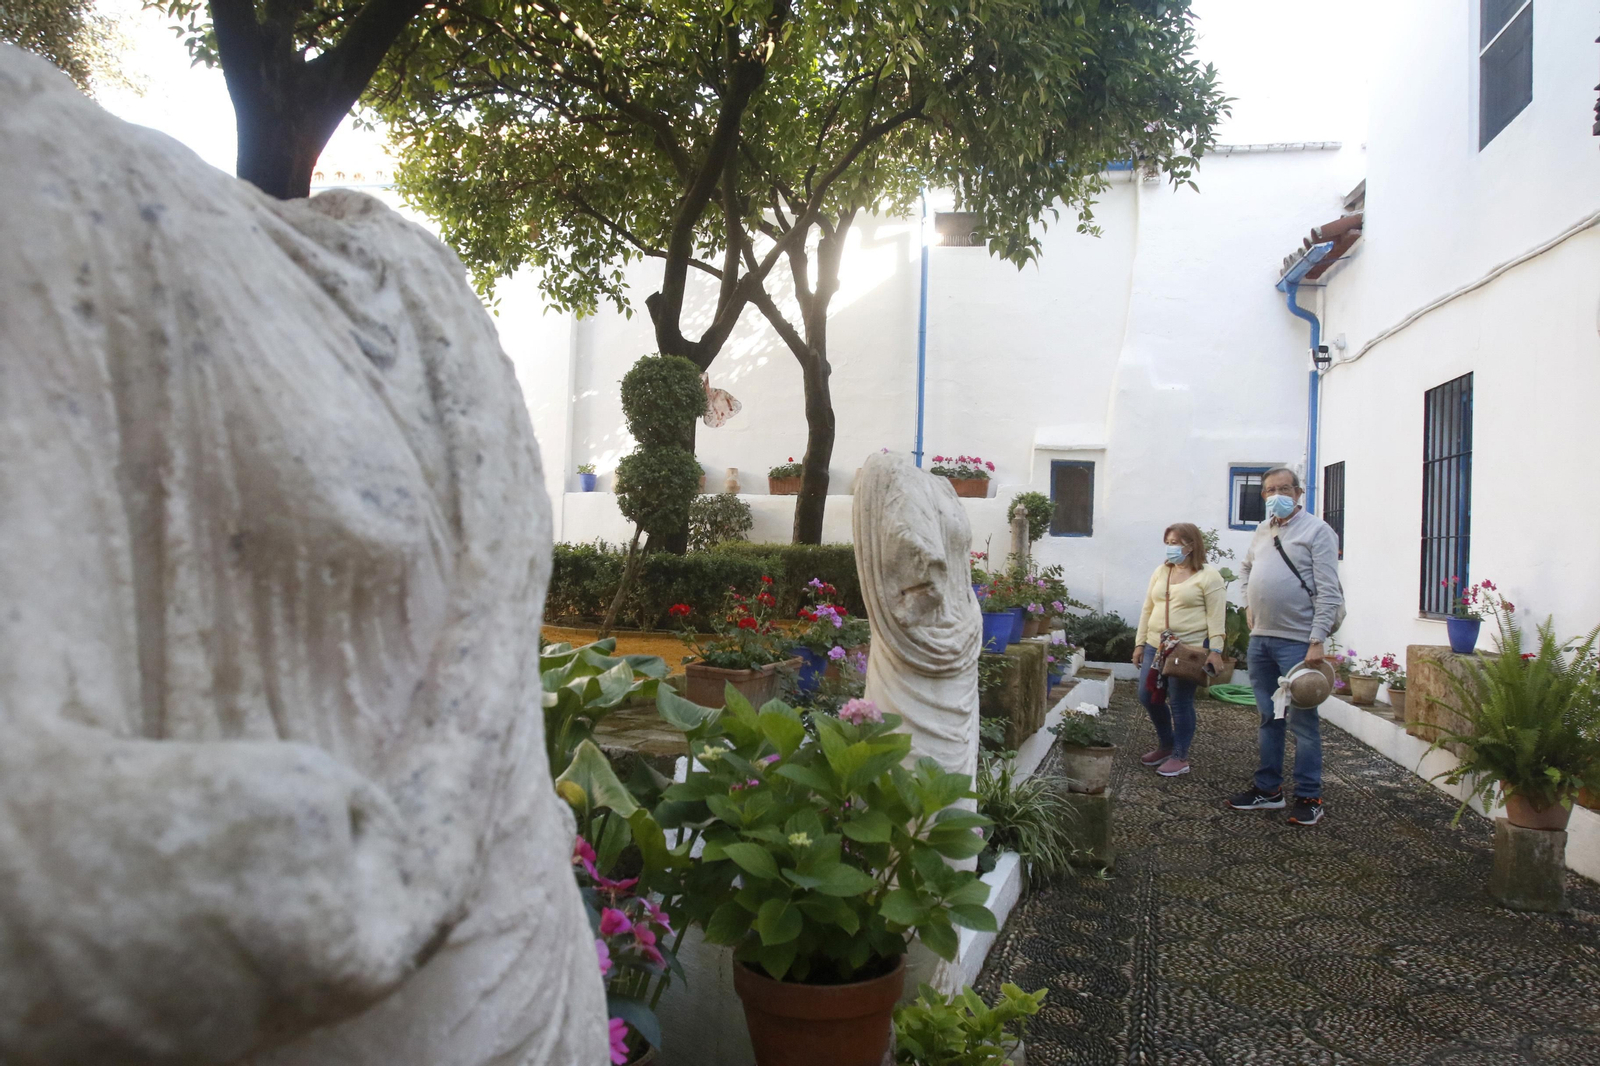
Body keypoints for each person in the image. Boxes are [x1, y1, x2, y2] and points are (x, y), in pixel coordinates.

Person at [1229, 467, 1345, 826]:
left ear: (1298, 492)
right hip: (1261, 639)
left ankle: (1310, 796)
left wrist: (1317, 641)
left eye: (1282, 488)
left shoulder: (1318, 531)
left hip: (1298, 644)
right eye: (1268, 490)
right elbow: (1246, 568)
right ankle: (1269, 790)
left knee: (1304, 722)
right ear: (1263, 496)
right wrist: (1248, 603)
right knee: (1268, 717)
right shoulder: (1263, 531)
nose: (1275, 495)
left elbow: (1328, 589)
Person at [1132, 523, 1227, 777]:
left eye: (1176, 542)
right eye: (1169, 542)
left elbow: (1217, 617)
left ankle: (1180, 756)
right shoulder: (1161, 571)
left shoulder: (1209, 577)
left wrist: (1215, 649)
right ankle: (1166, 743)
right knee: (1147, 695)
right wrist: (1140, 643)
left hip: (1187, 649)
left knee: (1180, 702)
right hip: (1156, 645)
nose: (1171, 547)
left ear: (1191, 545)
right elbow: (1147, 608)